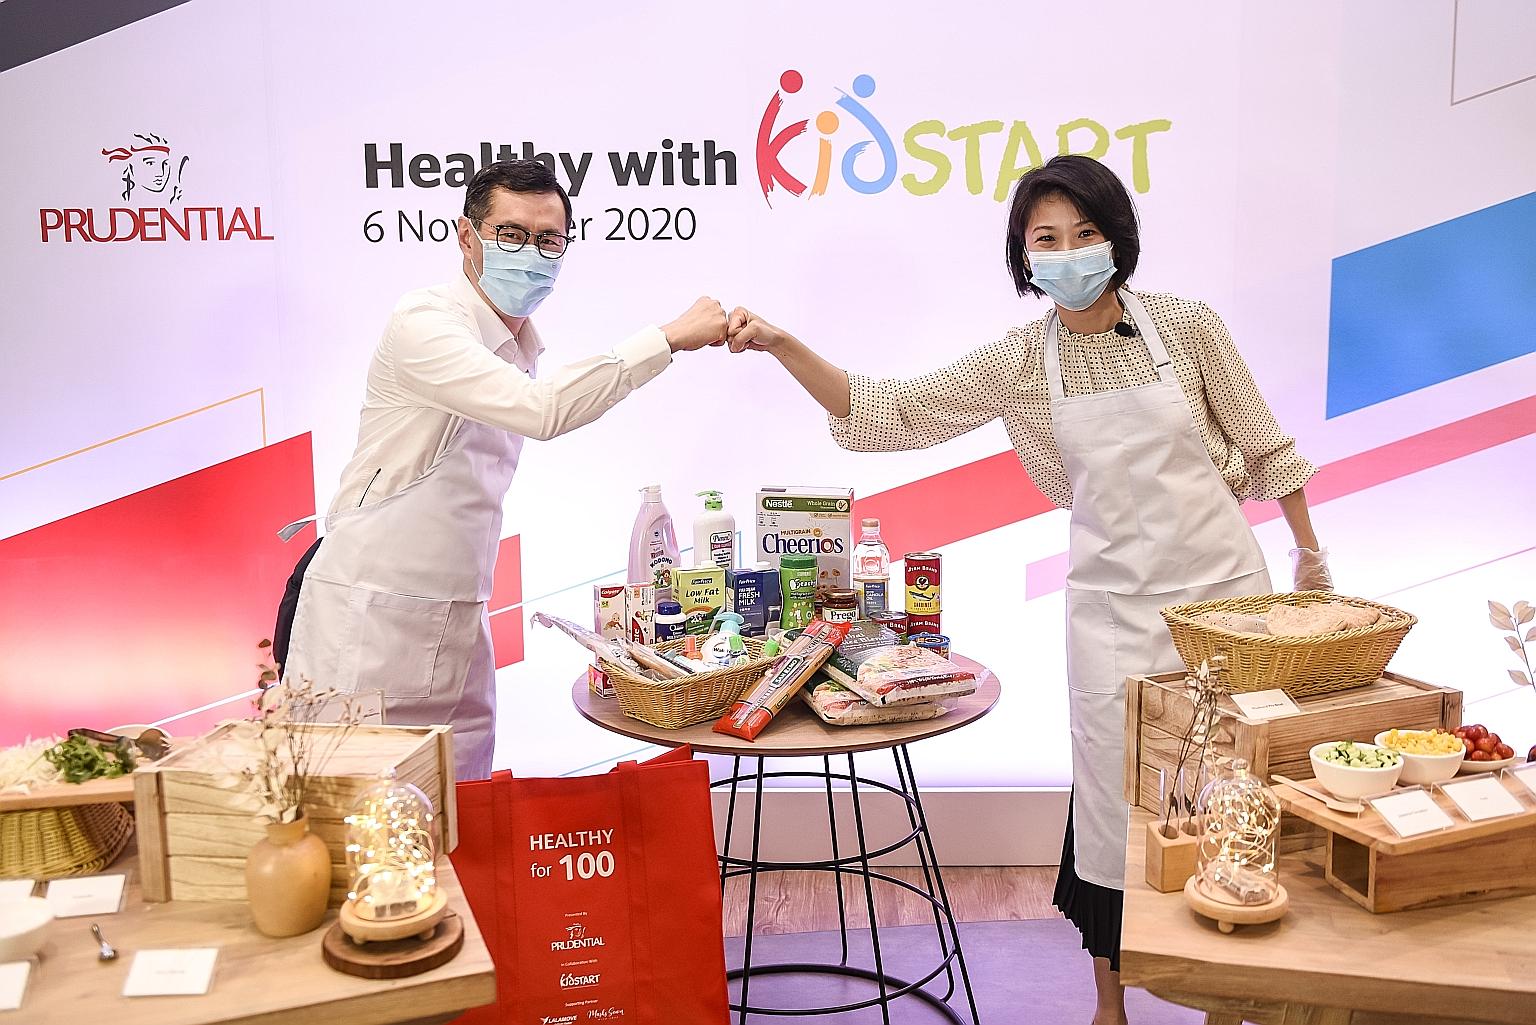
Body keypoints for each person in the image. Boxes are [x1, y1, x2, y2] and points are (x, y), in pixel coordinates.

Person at [725, 154, 1331, 1025]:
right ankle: (1109, 1005)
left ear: (1117, 239)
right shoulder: (1021, 362)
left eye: (1086, 233)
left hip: (1225, 603)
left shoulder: (1190, 327)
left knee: (1231, 794)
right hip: (1114, 613)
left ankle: (1224, 1002)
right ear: (1024, 256)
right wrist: (784, 344)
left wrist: (1312, 563)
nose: (1069, 251)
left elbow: (1268, 447)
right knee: (1112, 804)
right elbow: (886, 411)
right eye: (1046, 238)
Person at [277, 160, 727, 783]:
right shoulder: (426, 322)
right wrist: (670, 337)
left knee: (468, 824)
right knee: (357, 838)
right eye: (510, 235)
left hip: (461, 613)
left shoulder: (521, 345)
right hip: (369, 616)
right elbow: (542, 412)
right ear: (467, 238)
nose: (531, 254)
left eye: (548, 241)